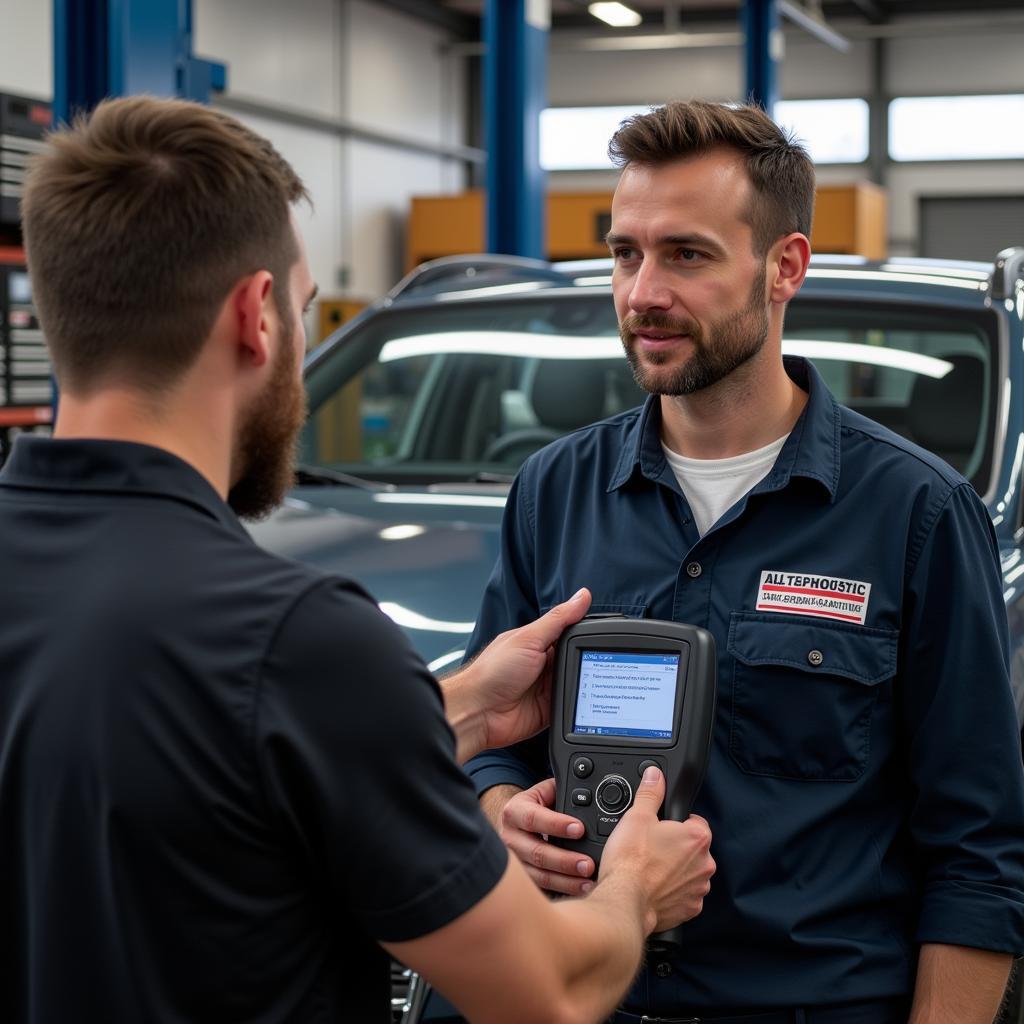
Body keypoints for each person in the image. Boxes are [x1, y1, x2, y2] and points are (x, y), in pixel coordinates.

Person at [0, 96, 717, 1024]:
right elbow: (552, 989)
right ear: (258, 318)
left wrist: (456, 705)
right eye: (303, 314)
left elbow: (153, 751)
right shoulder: (298, 641)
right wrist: (634, 886)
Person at [465, 100, 1024, 1023]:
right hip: (577, 993)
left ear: (784, 267)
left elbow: (977, 850)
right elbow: (495, 741)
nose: (643, 292)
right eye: (625, 252)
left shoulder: (916, 514)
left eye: (686, 255)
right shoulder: (552, 491)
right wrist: (499, 817)